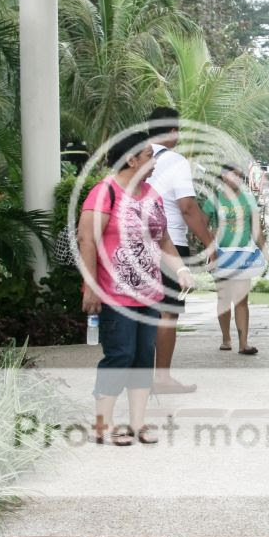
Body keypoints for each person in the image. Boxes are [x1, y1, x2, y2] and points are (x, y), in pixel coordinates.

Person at [79, 131, 193, 445]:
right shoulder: (104, 192)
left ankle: (138, 423)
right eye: (148, 156)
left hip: (150, 294)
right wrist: (90, 286)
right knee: (120, 355)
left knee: (143, 356)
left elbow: (164, 239)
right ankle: (103, 424)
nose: (154, 163)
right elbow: (87, 240)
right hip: (114, 294)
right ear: (131, 160)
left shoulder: (152, 194)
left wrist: (181, 269)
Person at [145, 107, 214, 394]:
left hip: (137, 245)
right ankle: (161, 379)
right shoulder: (175, 161)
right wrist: (209, 243)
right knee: (167, 314)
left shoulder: (133, 158)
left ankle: (137, 379)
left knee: (142, 310)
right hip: (169, 243)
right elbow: (187, 208)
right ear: (173, 131)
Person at [202, 164, 269, 355]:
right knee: (224, 298)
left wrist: (266, 253)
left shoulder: (248, 199)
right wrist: (210, 248)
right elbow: (201, 226)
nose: (238, 179)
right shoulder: (214, 199)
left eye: (241, 176)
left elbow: (256, 229)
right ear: (223, 177)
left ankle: (243, 343)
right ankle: (226, 339)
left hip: (243, 254)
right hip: (221, 254)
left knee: (241, 300)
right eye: (234, 175)